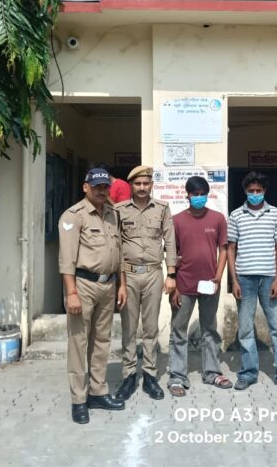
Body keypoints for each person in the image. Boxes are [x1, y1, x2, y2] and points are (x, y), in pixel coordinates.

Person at [58, 167, 126, 424]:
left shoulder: (112, 214)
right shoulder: (73, 215)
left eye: (105, 186)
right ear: (85, 187)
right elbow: (66, 259)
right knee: (78, 343)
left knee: (102, 341)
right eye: (96, 186)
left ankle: (98, 392)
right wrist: (71, 293)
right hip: (83, 286)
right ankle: (78, 399)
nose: (102, 190)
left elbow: (118, 252)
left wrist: (121, 284)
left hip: (108, 286)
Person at [114, 165, 176, 401]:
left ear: (151, 185)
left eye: (146, 183)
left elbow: (170, 241)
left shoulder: (162, 208)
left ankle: (150, 375)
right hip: (128, 274)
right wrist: (119, 280)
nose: (142, 187)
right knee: (129, 328)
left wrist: (171, 274)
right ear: (131, 185)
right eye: (137, 184)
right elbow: (116, 244)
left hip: (153, 274)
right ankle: (129, 375)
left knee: (150, 328)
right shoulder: (119, 210)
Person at [227, 172, 277, 392]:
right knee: (245, 329)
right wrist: (234, 281)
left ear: (265, 191)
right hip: (244, 278)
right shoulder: (236, 215)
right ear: (245, 191)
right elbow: (231, 249)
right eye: (251, 191)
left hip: (268, 278)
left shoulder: (275, 213)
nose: (255, 194)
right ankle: (248, 373)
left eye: (258, 190)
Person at [167, 176, 233, 396]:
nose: (199, 197)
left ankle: (212, 372)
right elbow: (172, 254)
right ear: (187, 195)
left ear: (207, 194)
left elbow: (223, 249)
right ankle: (177, 376)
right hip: (183, 284)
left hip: (209, 284)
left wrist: (218, 277)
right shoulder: (176, 220)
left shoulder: (217, 219)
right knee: (178, 329)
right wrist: (174, 283)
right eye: (195, 194)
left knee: (209, 329)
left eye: (202, 194)